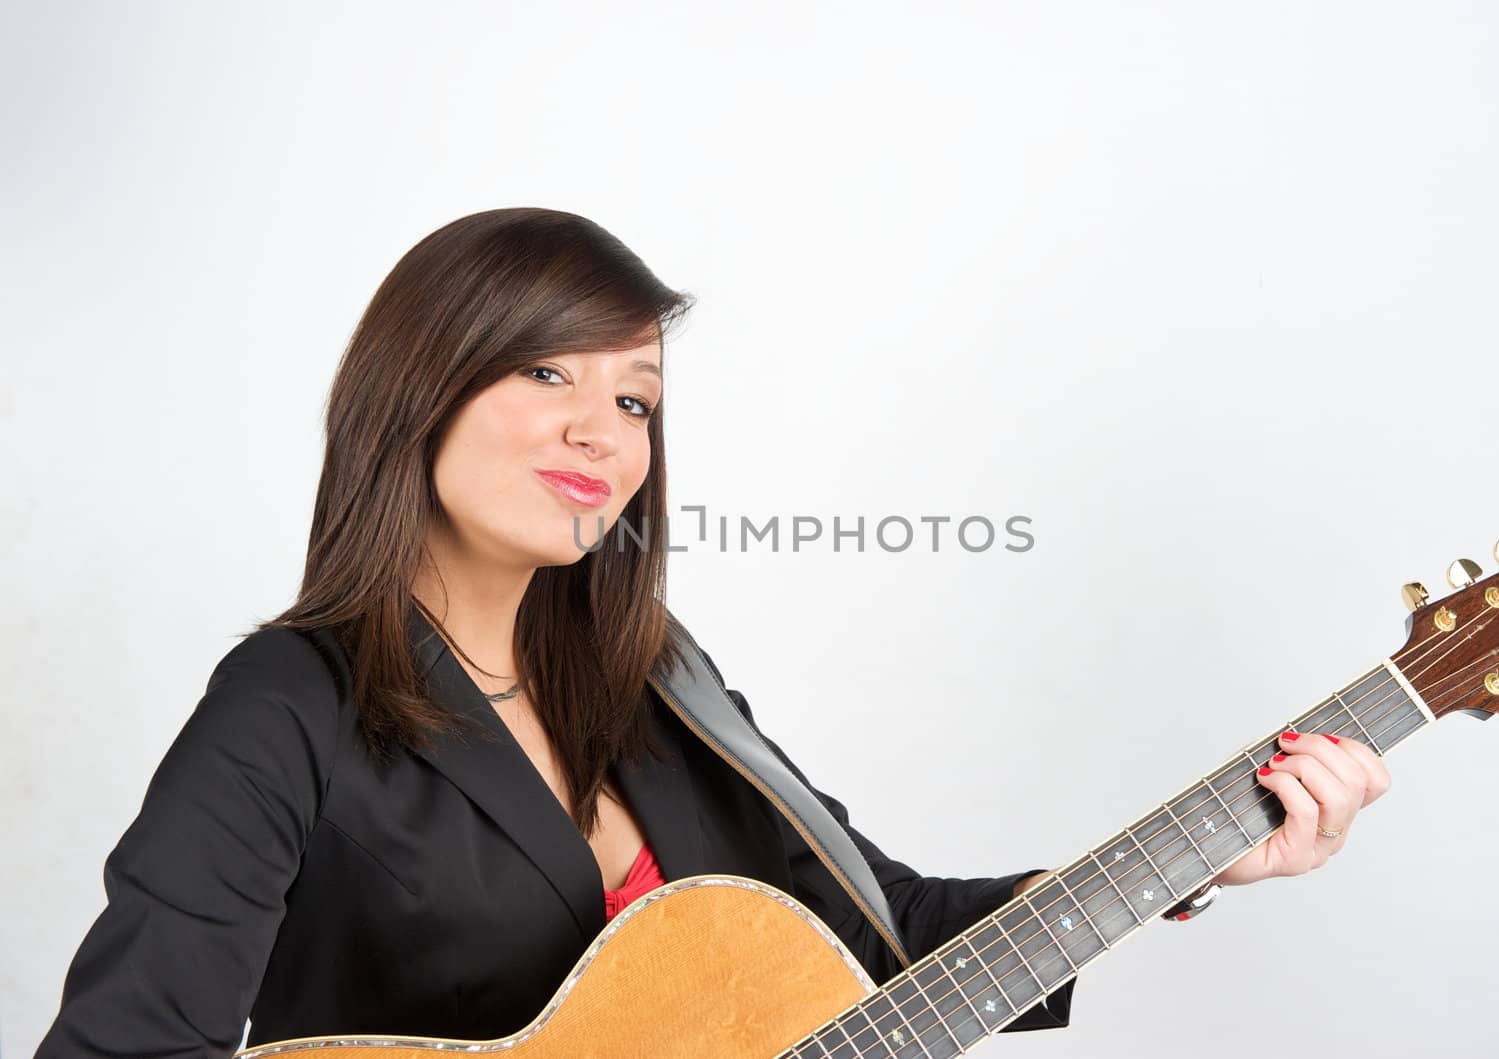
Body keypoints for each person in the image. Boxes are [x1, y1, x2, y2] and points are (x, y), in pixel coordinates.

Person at [35, 207, 1391, 1058]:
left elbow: (888, 934)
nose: (600, 428)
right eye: (546, 371)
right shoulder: (291, 699)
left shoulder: (657, 682)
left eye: (636, 399)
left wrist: (1216, 851)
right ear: (420, 393)